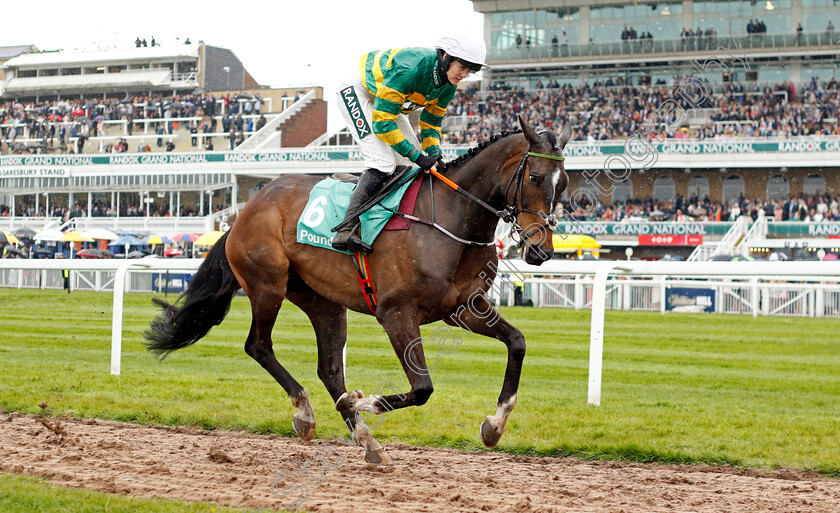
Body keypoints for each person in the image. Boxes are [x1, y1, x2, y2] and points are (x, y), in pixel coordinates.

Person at [331, 33, 487, 253]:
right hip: (358, 91)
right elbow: (383, 123)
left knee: (413, 169)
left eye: (470, 70)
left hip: (385, 98)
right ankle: (344, 228)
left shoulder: (449, 85)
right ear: (445, 57)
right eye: (462, 67)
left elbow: (431, 122)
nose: (464, 75)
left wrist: (434, 154)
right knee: (382, 162)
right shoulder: (411, 68)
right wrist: (418, 155)